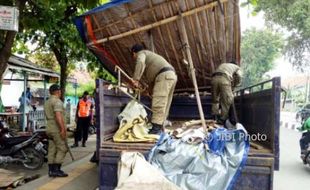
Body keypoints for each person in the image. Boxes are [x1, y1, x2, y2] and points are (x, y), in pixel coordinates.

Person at [131, 44, 177, 135]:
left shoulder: (142, 53)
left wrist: (136, 79)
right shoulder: (152, 58)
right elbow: (152, 81)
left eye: (133, 56)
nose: (134, 58)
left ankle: (156, 129)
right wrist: (149, 91)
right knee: (165, 103)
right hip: (171, 75)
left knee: (158, 102)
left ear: (134, 53)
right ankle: (161, 125)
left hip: (164, 76)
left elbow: (140, 62)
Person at [44, 84, 68, 177]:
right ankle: (56, 169)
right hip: (56, 129)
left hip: (49, 128)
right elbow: (58, 116)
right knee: (62, 148)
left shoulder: (47, 102)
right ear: (58, 91)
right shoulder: (57, 101)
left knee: (52, 149)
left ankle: (50, 170)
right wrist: (62, 129)